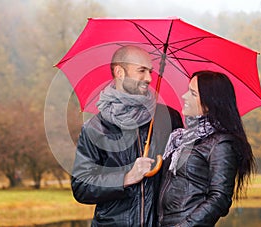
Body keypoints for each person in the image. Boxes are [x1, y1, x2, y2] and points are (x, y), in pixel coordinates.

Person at [71, 45, 183, 226]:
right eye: (141, 71)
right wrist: (126, 177)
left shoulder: (168, 118)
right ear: (120, 72)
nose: (148, 78)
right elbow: (81, 187)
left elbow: (182, 175)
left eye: (150, 72)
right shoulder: (95, 128)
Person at [157, 70, 256, 227]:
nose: (184, 96)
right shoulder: (180, 138)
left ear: (210, 103)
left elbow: (220, 198)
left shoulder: (221, 143)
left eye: (193, 93)